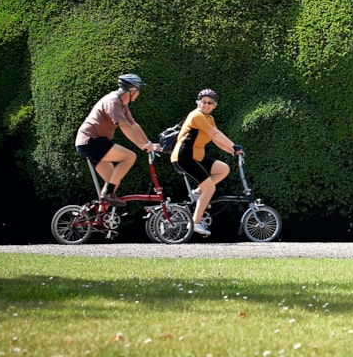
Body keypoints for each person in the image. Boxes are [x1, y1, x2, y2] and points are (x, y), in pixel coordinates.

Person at [170, 88, 243, 237]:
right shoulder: (196, 115)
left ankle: (197, 193)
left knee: (223, 169)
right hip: (184, 157)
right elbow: (215, 133)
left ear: (214, 105)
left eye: (210, 103)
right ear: (198, 103)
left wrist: (233, 151)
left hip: (197, 157)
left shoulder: (209, 119)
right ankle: (195, 223)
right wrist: (233, 145)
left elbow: (216, 140)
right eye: (203, 102)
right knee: (209, 188)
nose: (206, 105)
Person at [74, 74, 157, 205]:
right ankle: (108, 194)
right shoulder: (113, 101)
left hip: (91, 143)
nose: (139, 94)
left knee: (113, 180)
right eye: (139, 91)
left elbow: (133, 125)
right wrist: (141, 145)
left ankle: (100, 219)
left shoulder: (123, 104)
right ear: (132, 91)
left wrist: (148, 144)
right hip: (91, 141)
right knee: (129, 157)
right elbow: (124, 126)